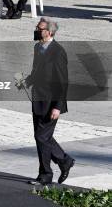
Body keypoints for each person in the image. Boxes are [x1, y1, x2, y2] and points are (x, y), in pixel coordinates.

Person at [25, 18, 74, 186]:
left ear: (49, 32)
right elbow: (36, 71)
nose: (37, 30)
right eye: (37, 27)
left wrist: (58, 107)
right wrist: (27, 81)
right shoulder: (38, 47)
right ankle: (60, 163)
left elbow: (62, 82)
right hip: (38, 98)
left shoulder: (58, 52)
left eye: (40, 28)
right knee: (41, 137)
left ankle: (48, 173)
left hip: (51, 102)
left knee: (41, 137)